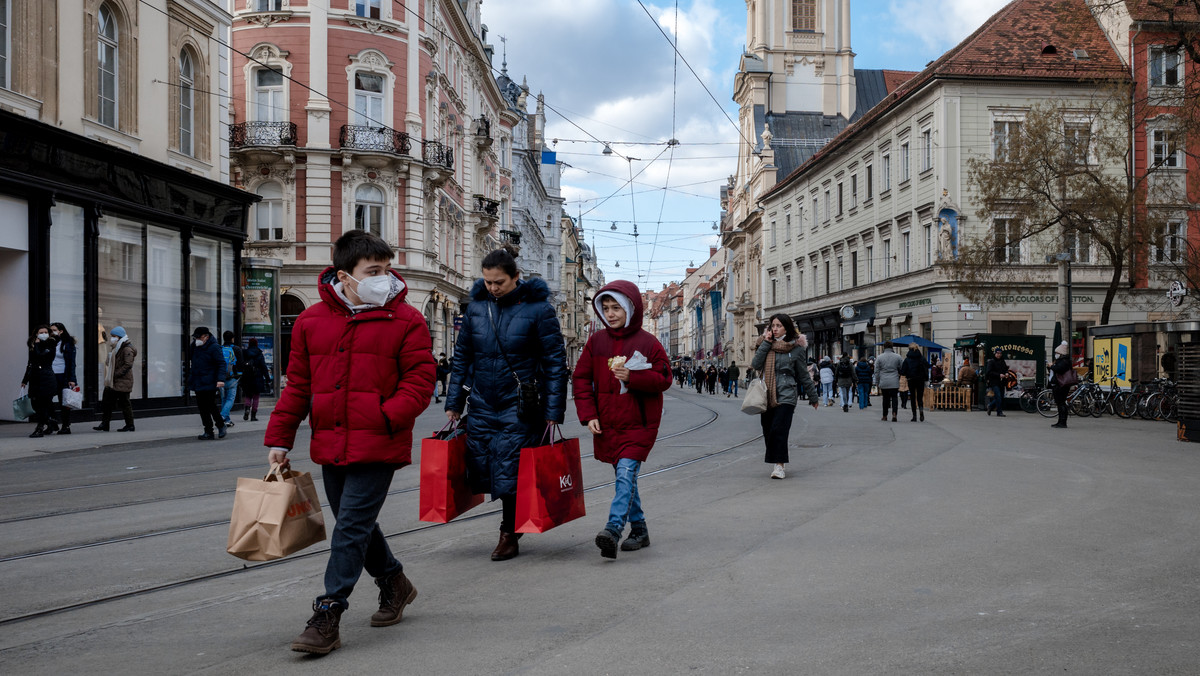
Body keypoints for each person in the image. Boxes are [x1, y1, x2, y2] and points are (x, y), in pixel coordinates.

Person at [266, 229, 435, 655]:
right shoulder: (310, 321)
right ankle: (395, 582)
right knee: (356, 525)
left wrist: (387, 415)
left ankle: (328, 612)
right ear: (345, 276)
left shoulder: (407, 319)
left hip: (379, 442)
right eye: (373, 271)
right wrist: (280, 439)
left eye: (386, 269)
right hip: (331, 441)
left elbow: (420, 379)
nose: (385, 278)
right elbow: (298, 386)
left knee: (350, 528)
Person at [444, 247, 568, 562]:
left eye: (499, 282)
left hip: (521, 404)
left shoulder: (539, 311)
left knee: (510, 469)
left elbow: (555, 363)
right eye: (487, 282)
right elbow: (462, 359)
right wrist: (455, 401)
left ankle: (508, 532)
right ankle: (511, 527)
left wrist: (554, 412)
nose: (493, 288)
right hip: (483, 402)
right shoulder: (475, 311)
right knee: (484, 466)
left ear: (515, 277)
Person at [573, 281, 672, 559]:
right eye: (605, 308)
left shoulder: (648, 343)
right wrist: (588, 414)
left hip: (639, 423)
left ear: (630, 308)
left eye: (616, 307)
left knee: (626, 473)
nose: (611, 313)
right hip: (607, 422)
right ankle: (639, 529)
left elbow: (664, 378)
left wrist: (634, 377)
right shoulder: (596, 342)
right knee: (624, 477)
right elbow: (580, 378)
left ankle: (613, 529)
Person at [751, 314, 819, 479]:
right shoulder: (764, 344)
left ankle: (779, 466)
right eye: (773, 325)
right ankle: (775, 459)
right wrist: (766, 342)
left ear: (787, 328)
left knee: (779, 430)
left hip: (787, 394)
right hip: (766, 394)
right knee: (768, 430)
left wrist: (813, 396)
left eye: (779, 326)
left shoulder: (796, 348)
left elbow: (803, 374)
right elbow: (755, 365)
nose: (775, 329)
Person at [94, 326, 137, 432]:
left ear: (119, 337)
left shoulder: (126, 348)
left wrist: (115, 374)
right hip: (114, 380)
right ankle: (105, 424)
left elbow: (128, 365)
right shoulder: (116, 347)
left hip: (122, 380)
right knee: (107, 402)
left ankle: (130, 425)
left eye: (114, 336)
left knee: (125, 403)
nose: (112, 338)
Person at [189, 327, 228, 439]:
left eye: (199, 337)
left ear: (206, 336)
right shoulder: (195, 346)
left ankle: (221, 425)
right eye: (195, 337)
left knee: (210, 405)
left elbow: (221, 364)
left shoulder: (214, 347)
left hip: (210, 381)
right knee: (202, 407)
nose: (196, 339)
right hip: (198, 380)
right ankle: (208, 431)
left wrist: (220, 380)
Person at [21, 325, 58, 438]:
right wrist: (25, 380)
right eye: (41, 332)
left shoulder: (51, 344)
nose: (43, 334)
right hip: (35, 378)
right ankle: (50, 422)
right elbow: (30, 363)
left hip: (46, 378)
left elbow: (41, 356)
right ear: (36, 334)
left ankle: (40, 428)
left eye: (45, 332)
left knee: (43, 404)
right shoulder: (33, 346)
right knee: (35, 404)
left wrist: (37, 345)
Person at [49, 322, 78, 434]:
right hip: (51, 375)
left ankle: (66, 426)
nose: (52, 332)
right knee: (46, 399)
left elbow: (71, 363)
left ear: (61, 331)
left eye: (54, 330)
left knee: (64, 401)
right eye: (50, 330)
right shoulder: (51, 343)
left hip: (63, 375)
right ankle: (52, 422)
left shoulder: (68, 343)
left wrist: (72, 379)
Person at [219, 330, 244, 428]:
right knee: (230, 399)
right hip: (232, 377)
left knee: (224, 399)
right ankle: (222, 416)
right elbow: (241, 363)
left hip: (221, 378)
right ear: (233, 338)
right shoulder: (237, 349)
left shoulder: (219, 348)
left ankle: (227, 420)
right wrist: (239, 375)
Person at [873, 341, 903, 422]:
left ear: (884, 347)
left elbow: (876, 371)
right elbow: (901, 368)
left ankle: (884, 415)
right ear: (892, 347)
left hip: (884, 380)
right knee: (894, 398)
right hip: (894, 380)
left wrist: (877, 381)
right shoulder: (898, 357)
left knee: (885, 398)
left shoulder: (879, 357)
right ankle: (894, 413)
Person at [241, 337, 269, 421]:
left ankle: (246, 409)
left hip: (247, 377)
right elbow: (264, 367)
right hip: (257, 377)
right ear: (256, 344)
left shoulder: (245, 352)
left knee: (248, 395)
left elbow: (241, 364)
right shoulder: (259, 353)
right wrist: (267, 378)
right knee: (256, 397)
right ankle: (253, 416)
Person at [900, 345, 930, 422]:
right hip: (920, 380)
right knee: (920, 397)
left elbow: (903, 371)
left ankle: (914, 416)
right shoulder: (921, 358)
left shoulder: (907, 359)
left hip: (911, 379)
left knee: (913, 397)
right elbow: (927, 366)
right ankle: (921, 409)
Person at [1049, 341, 1074, 429]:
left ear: (1060, 353)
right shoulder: (1064, 361)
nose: (1056, 354)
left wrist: (1051, 366)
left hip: (1061, 385)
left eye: (1057, 353)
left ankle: (1063, 422)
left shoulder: (1064, 361)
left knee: (1061, 403)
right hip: (1061, 384)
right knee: (1060, 403)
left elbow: (1059, 369)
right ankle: (1060, 421)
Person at [985, 347, 1009, 417]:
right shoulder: (991, 361)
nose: (999, 355)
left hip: (1002, 382)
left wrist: (1007, 373)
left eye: (1000, 353)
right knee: (998, 396)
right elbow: (988, 372)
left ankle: (990, 405)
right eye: (997, 353)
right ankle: (999, 412)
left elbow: (1005, 369)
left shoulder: (1002, 361)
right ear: (995, 353)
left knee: (1001, 397)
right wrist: (999, 375)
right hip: (994, 382)